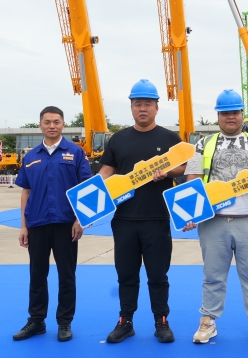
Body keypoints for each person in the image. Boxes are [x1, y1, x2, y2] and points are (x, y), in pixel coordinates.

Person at [182, 89, 248, 344]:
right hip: (213, 220)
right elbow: (193, 180)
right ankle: (208, 321)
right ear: (218, 116)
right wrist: (190, 214)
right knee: (213, 274)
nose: (230, 117)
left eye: (235, 112)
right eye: (225, 113)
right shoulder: (203, 144)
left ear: (242, 114)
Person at [98, 79, 186, 344]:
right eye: (138, 104)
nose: (143, 108)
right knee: (126, 275)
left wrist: (167, 172)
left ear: (157, 107)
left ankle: (161, 321)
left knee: (158, 275)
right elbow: (105, 172)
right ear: (131, 108)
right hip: (124, 218)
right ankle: (125, 321)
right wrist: (86, 197)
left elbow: (183, 168)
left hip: (157, 217)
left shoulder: (170, 138)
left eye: (148, 103)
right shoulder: (118, 139)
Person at [13, 106, 92, 342]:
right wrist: (24, 225)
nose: (52, 126)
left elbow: (86, 189)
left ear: (63, 124)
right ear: (40, 125)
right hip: (37, 224)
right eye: (47, 122)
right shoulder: (30, 156)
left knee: (66, 275)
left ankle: (64, 322)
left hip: (66, 224)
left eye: (56, 122)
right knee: (37, 275)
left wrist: (80, 220)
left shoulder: (76, 153)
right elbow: (26, 191)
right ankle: (36, 321)